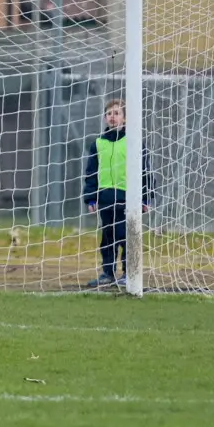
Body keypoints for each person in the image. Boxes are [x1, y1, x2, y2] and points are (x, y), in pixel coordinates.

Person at [82, 98, 157, 288]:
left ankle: (129, 273)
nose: (112, 117)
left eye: (117, 113)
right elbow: (91, 173)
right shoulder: (98, 144)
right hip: (106, 197)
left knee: (125, 235)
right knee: (108, 237)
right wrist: (91, 197)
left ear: (124, 118)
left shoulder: (133, 142)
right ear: (105, 118)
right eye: (109, 114)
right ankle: (108, 273)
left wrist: (146, 197)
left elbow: (145, 172)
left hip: (127, 199)